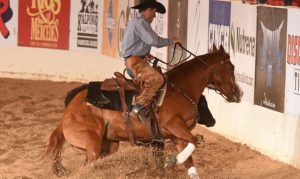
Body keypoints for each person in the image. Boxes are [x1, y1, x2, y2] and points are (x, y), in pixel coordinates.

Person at [121, 0, 178, 120]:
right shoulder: (141, 23)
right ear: (149, 10)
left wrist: (144, 54)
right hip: (135, 63)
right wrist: (171, 41)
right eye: (154, 12)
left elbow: (140, 44)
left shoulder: (137, 22)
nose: (154, 15)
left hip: (135, 61)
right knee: (157, 79)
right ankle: (137, 107)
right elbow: (154, 41)